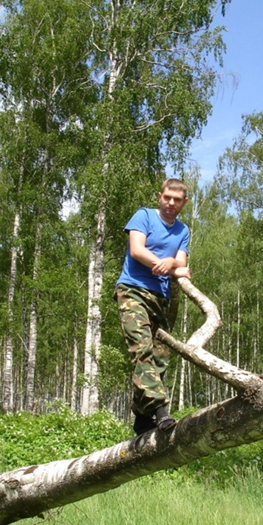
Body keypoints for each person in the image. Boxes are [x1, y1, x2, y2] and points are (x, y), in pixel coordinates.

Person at [115, 178, 191, 435]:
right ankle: (160, 411)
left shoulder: (183, 231)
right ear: (159, 196)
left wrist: (172, 263)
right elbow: (137, 250)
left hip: (161, 297)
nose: (171, 203)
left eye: (177, 200)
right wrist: (166, 263)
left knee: (160, 357)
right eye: (167, 197)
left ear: (184, 202)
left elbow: (182, 264)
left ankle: (141, 416)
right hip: (132, 290)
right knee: (141, 348)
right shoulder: (144, 216)